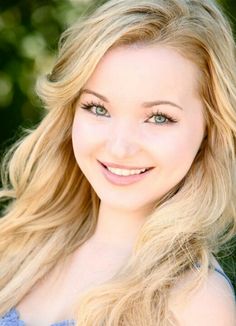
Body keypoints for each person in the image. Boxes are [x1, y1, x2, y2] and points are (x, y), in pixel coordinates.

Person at [0, 0, 236, 325]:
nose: (120, 147)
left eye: (158, 117)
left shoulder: (196, 301)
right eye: (98, 108)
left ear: (209, 130)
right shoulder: (18, 245)